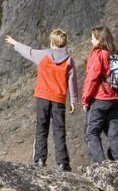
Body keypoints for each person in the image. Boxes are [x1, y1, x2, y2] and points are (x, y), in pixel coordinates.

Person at [5, 29, 78, 171]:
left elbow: (28, 51)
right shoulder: (69, 60)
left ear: (52, 42)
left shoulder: (43, 55)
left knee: (41, 128)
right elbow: (72, 81)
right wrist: (73, 100)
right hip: (59, 99)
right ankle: (63, 163)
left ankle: (39, 159)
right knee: (59, 130)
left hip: (43, 97)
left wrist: (15, 43)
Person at [82, 26, 118, 162]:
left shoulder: (98, 54)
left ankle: (100, 166)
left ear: (99, 39)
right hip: (116, 98)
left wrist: (85, 99)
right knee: (114, 132)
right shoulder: (114, 53)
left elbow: (92, 78)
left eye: (93, 38)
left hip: (100, 98)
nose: (91, 41)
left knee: (91, 132)